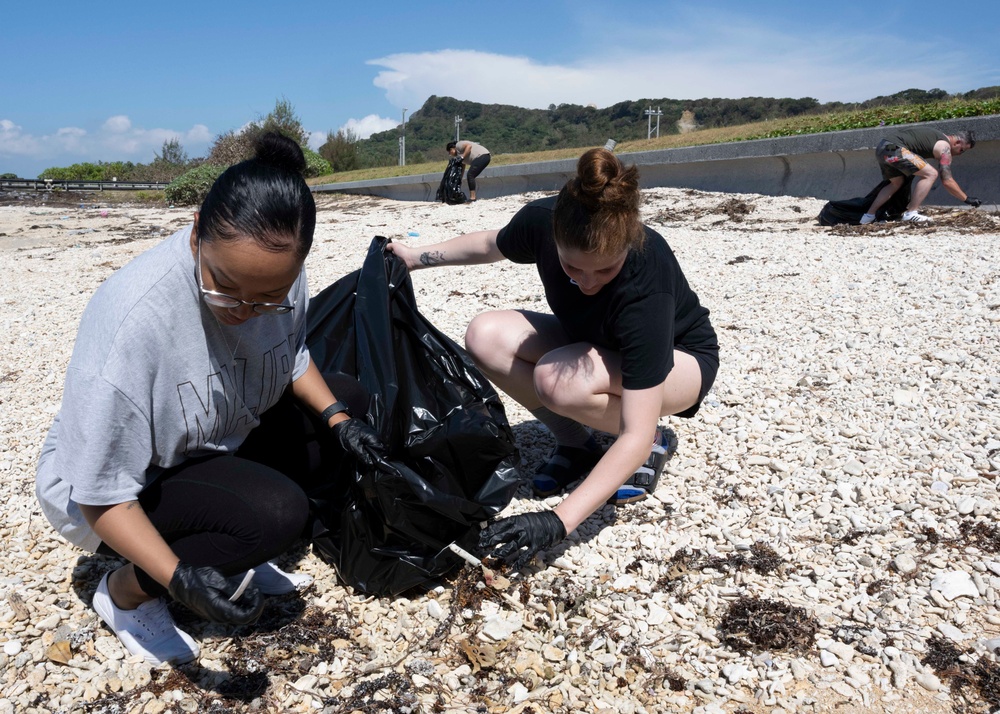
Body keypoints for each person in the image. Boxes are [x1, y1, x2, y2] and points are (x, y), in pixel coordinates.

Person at [35, 133, 388, 666]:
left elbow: (290, 356)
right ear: (197, 229)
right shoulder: (134, 321)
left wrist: (339, 420)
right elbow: (99, 489)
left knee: (347, 399)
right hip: (106, 492)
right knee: (275, 515)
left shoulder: (278, 272)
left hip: (209, 441)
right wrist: (177, 579)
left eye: (268, 298)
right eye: (224, 287)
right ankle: (125, 594)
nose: (244, 310)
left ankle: (229, 536)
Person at [387, 147, 718, 570]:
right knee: (486, 336)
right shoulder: (545, 220)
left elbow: (633, 430)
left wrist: (556, 522)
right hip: (592, 342)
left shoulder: (645, 285)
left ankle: (659, 443)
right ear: (555, 237)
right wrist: (416, 257)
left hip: (681, 361)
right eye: (572, 268)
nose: (587, 283)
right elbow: (491, 244)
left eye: (604, 271)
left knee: (559, 382)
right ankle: (576, 444)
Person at [860, 128, 979, 224]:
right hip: (895, 148)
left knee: (896, 183)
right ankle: (911, 213)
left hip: (883, 148)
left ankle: (868, 216)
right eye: (962, 150)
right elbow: (947, 180)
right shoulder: (945, 148)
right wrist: (966, 199)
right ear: (957, 142)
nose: (961, 154)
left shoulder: (937, 135)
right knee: (931, 174)